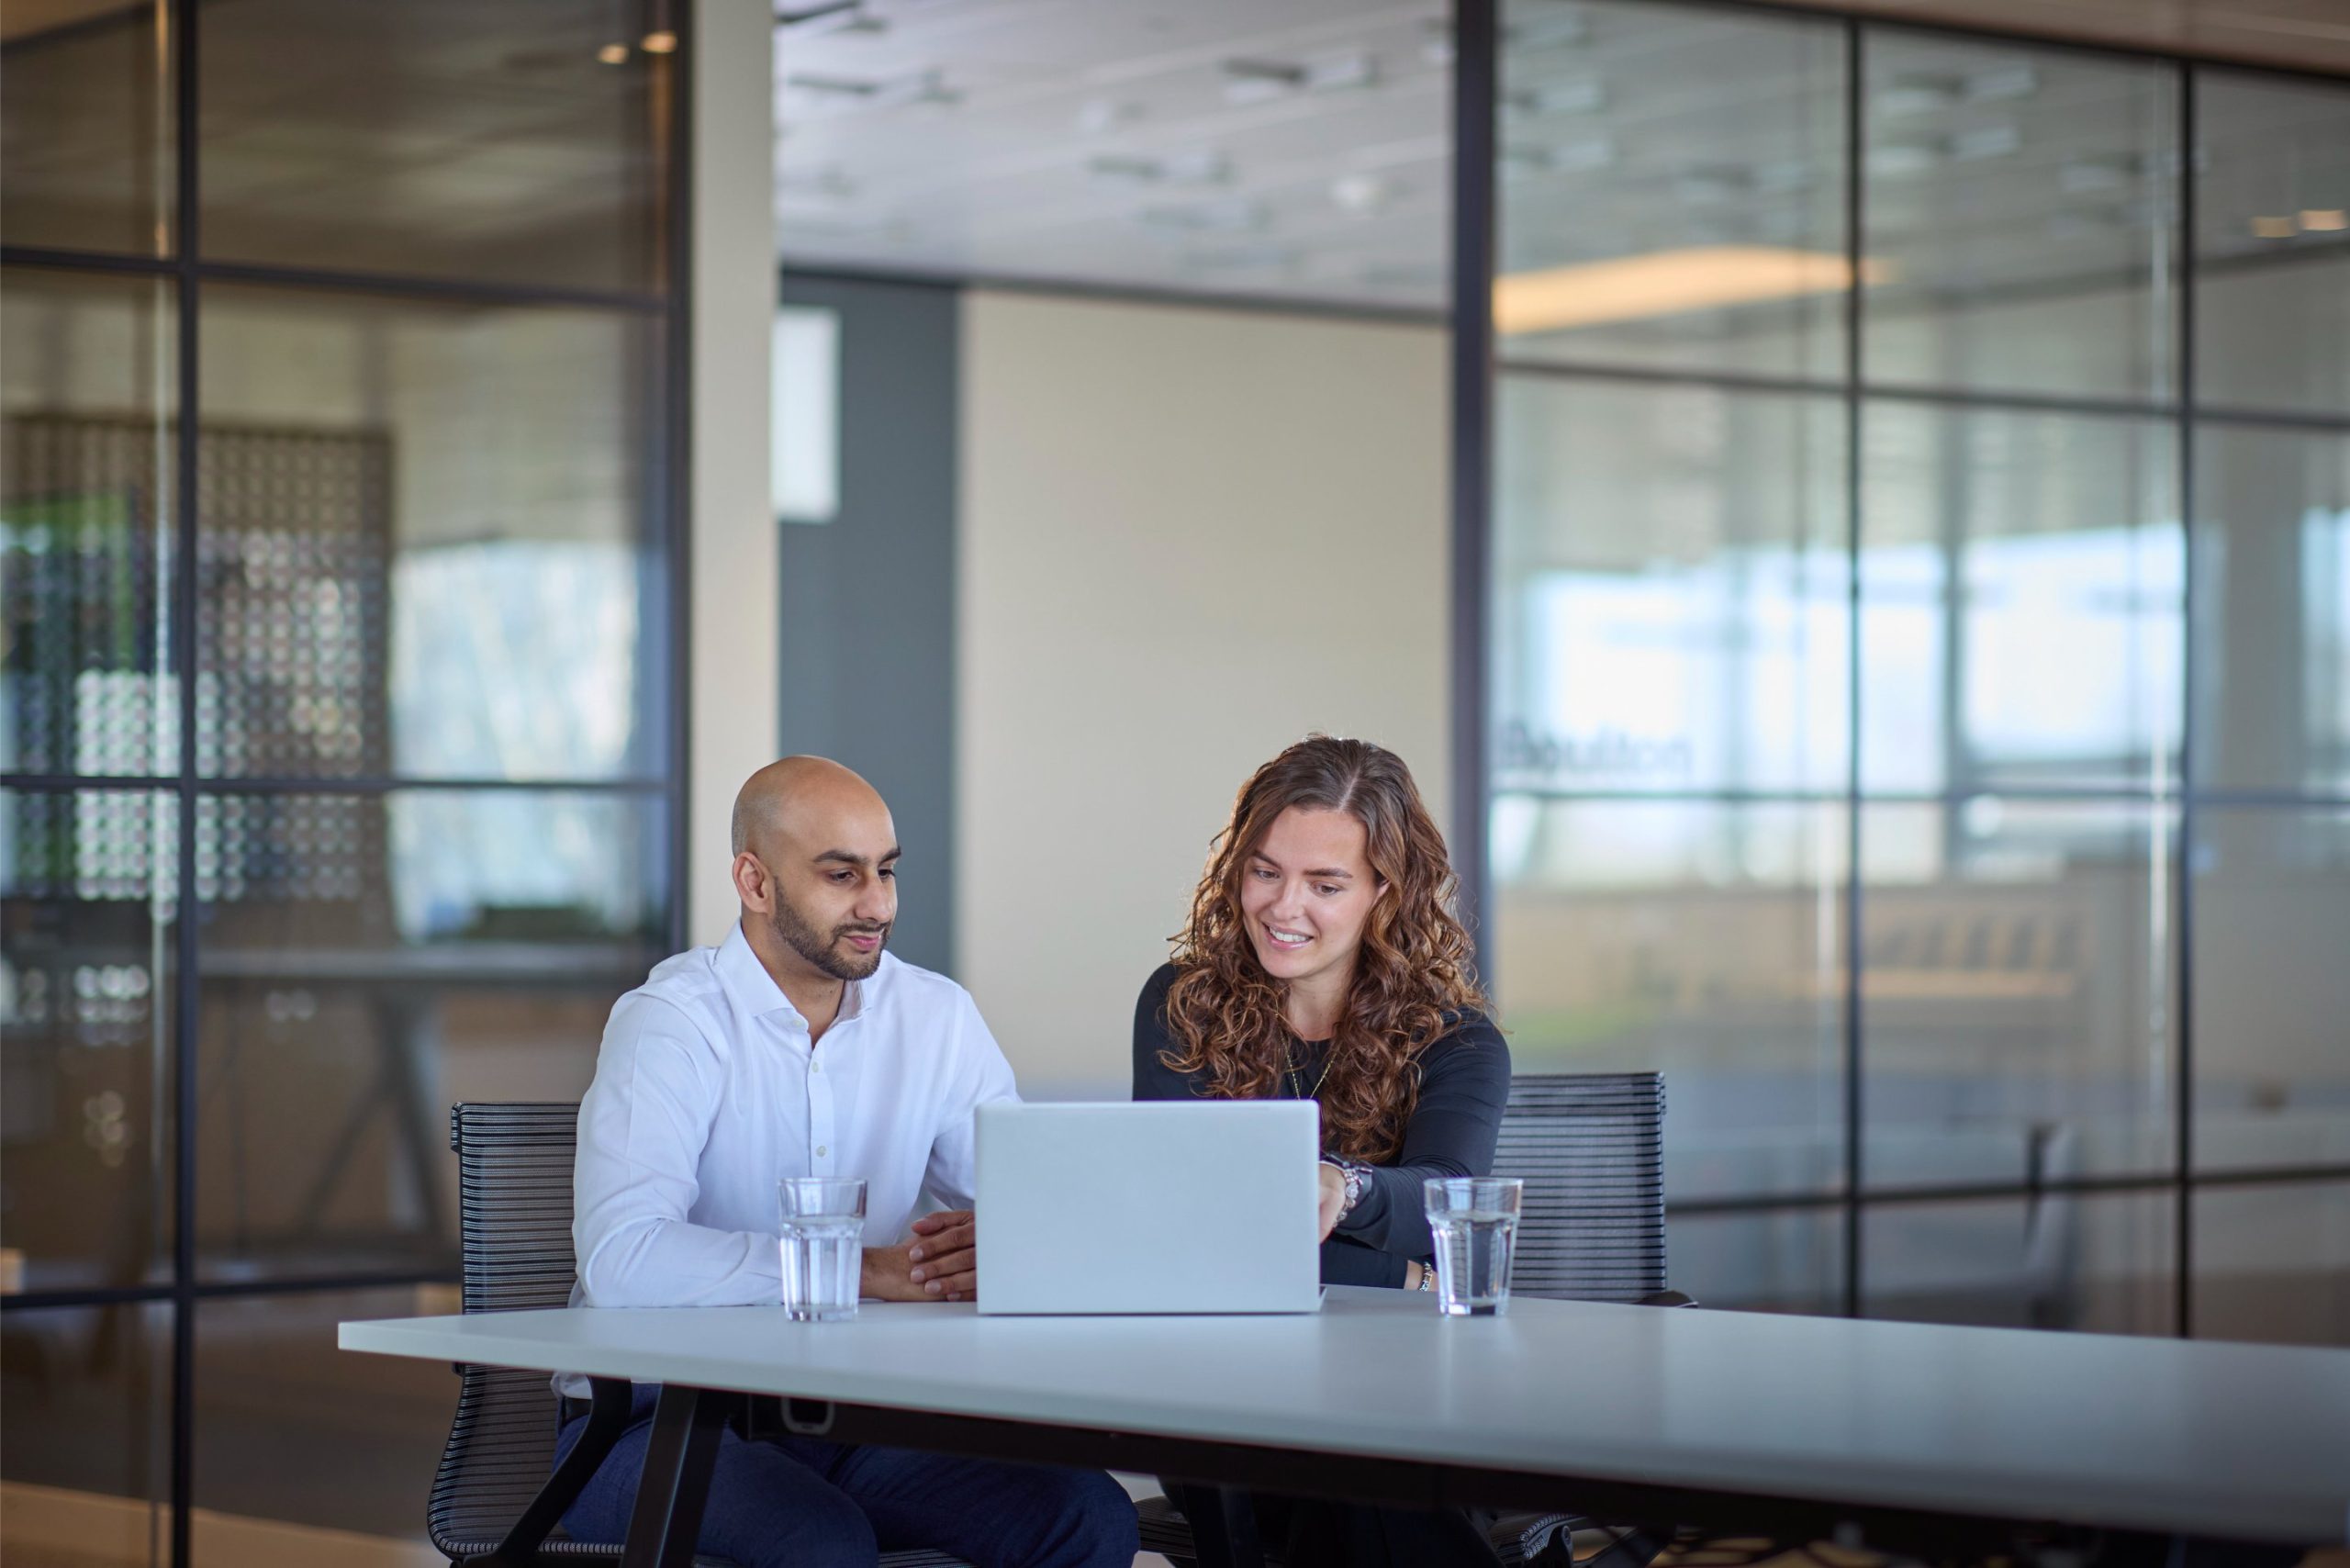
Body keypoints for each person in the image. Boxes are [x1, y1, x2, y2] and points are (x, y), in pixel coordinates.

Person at [556, 756, 1137, 1568]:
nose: (879, 905)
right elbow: (624, 1261)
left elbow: (1031, 1206)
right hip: (654, 1424)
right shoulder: (670, 1023)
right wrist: (862, 1271)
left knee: (1087, 1515)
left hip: (859, 1420)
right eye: (842, 875)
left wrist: (1013, 1243)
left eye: (887, 872)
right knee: (820, 1543)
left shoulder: (936, 1016)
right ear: (754, 883)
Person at [1133, 734, 1510, 1567]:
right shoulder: (1181, 1006)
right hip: (1227, 1399)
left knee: (1364, 1473)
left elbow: (1441, 1200)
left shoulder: (1459, 1044)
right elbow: (1174, 1239)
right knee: (1331, 1475)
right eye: (1265, 870)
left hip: (1411, 1395)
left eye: (1325, 884)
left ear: (1387, 893)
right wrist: (1400, 1276)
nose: (1281, 906)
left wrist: (1347, 1188)